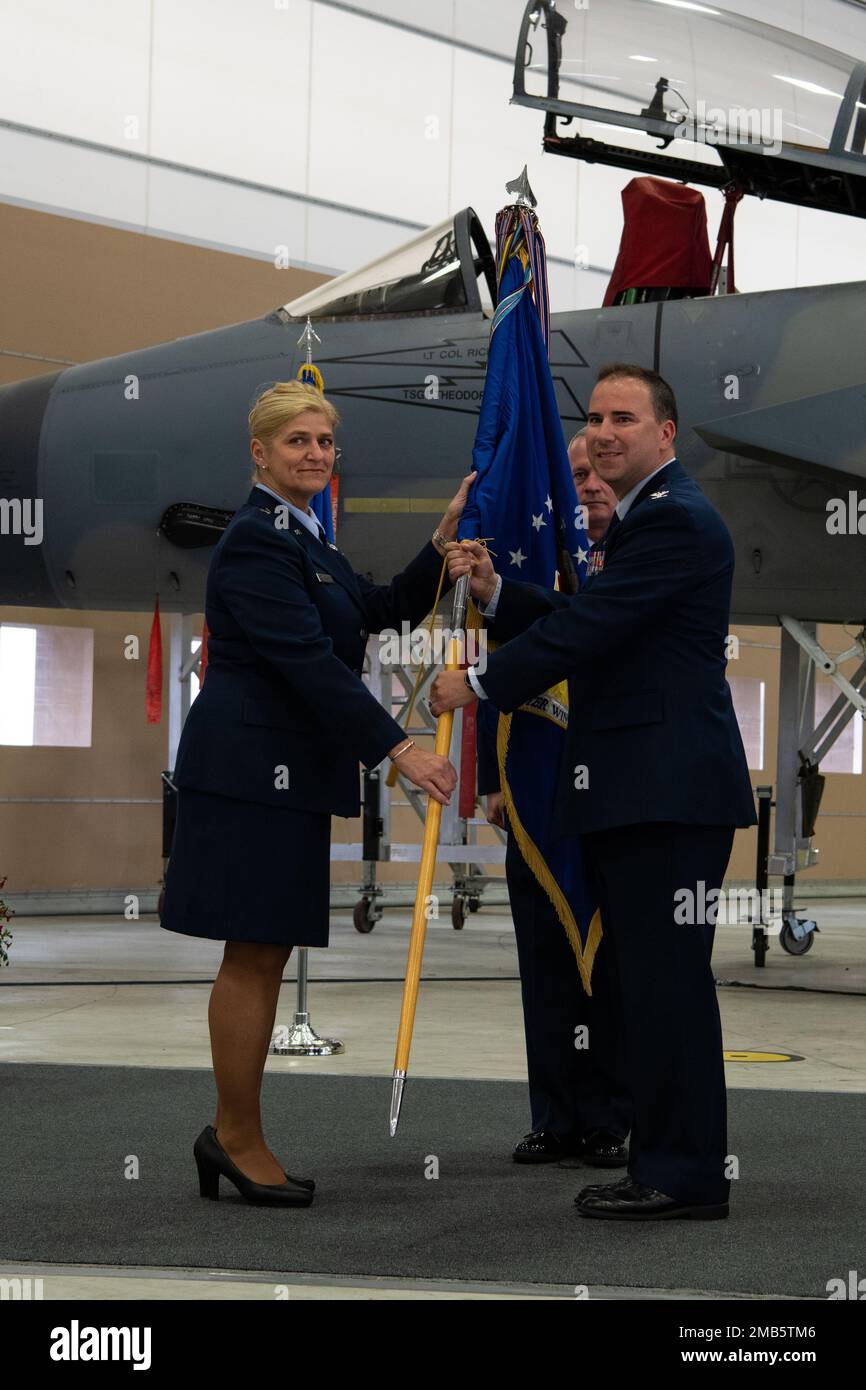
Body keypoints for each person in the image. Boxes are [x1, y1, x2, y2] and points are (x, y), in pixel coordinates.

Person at [432, 363, 757, 1221]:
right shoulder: (654, 518)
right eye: (597, 417)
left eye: (625, 417)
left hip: (665, 796)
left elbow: (592, 626)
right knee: (652, 989)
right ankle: (668, 1163)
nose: (606, 431)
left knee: (665, 990)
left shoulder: (673, 522)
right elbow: (599, 615)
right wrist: (500, 593)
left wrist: (482, 681)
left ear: (665, 433)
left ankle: (682, 1176)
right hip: (649, 793)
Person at [161, 379, 469, 1206]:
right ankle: (234, 1136)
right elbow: (303, 661)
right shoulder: (258, 542)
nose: (315, 454)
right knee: (253, 953)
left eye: (325, 442)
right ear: (259, 452)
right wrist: (398, 745)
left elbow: (370, 610)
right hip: (250, 777)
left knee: (264, 951)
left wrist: (439, 547)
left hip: (283, 778)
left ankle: (231, 1132)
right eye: (297, 441)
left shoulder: (306, 538)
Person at [478, 427, 630, 1166]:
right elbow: (495, 674)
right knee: (543, 963)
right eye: (577, 474)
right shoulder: (534, 556)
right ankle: (555, 1116)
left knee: (605, 964)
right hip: (535, 800)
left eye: (602, 471)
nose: (592, 485)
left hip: (613, 800)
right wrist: (488, 780)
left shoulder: (639, 556)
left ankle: (607, 1117)